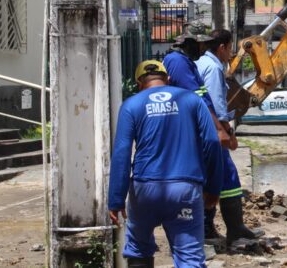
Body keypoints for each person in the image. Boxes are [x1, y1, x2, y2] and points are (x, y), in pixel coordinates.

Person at [108, 60, 223, 268]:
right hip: (185, 189)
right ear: (167, 79)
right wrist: (214, 188)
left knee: (138, 250)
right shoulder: (191, 100)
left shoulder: (131, 105)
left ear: (139, 83)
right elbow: (213, 142)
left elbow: (122, 153)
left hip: (145, 190)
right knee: (189, 257)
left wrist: (116, 199)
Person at [196, 29, 262, 244]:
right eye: (230, 48)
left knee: (211, 180)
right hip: (213, 131)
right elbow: (216, 104)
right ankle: (234, 228)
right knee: (229, 178)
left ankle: (209, 228)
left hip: (202, 130)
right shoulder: (214, 67)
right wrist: (227, 132)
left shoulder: (200, 64)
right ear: (222, 47)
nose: (232, 53)